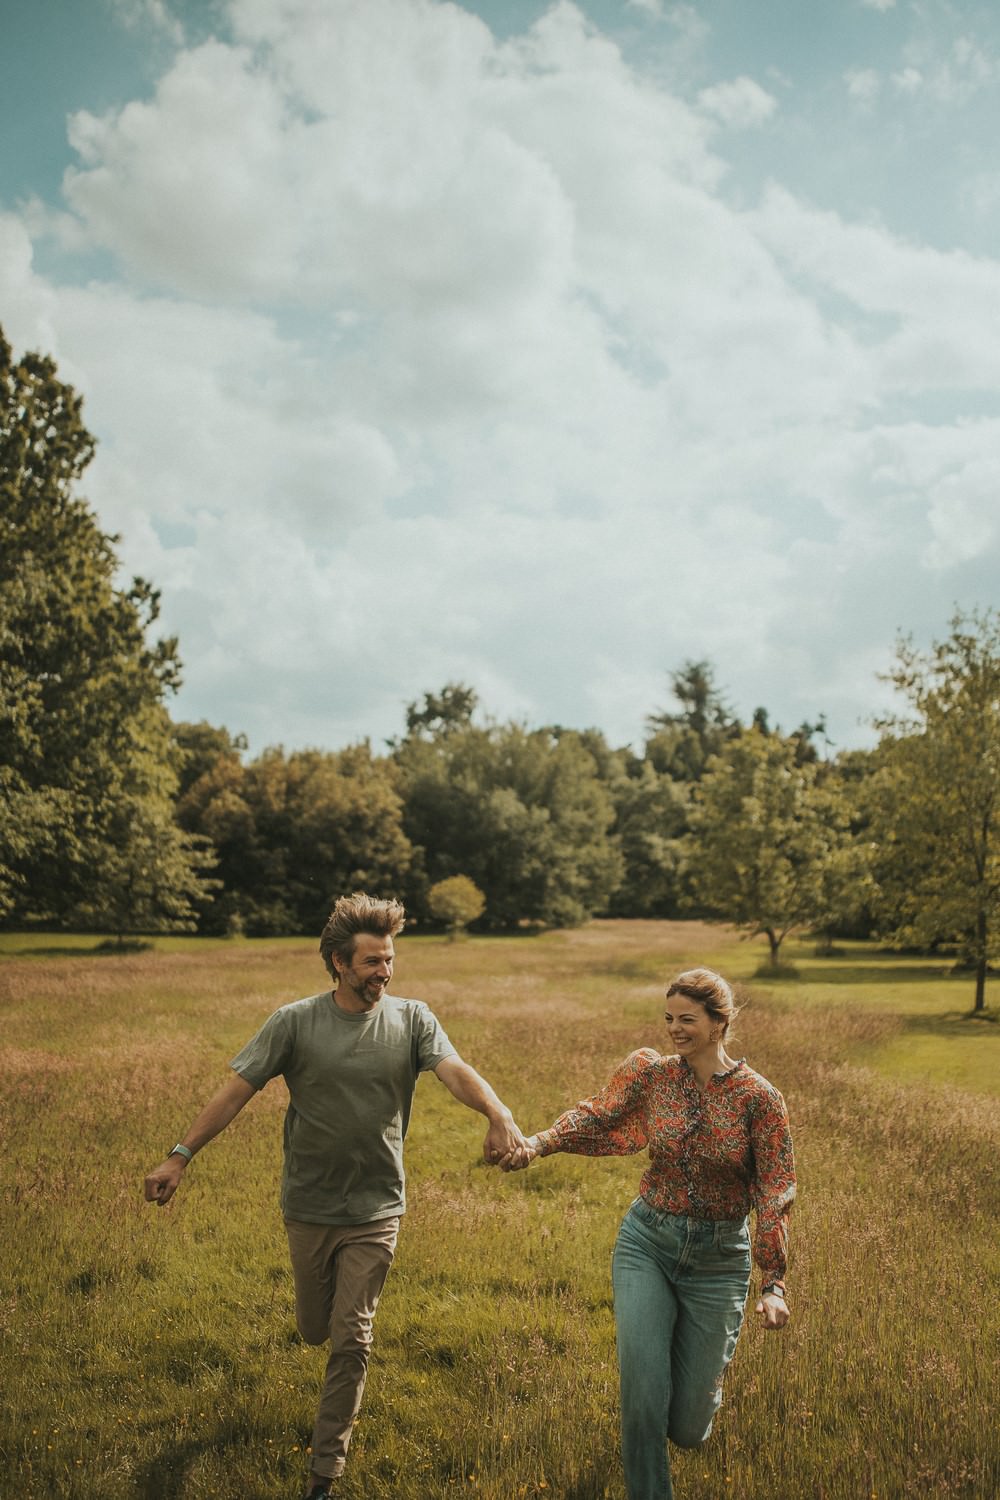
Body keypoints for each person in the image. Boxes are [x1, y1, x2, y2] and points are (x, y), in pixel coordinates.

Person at [143, 892, 528, 1500]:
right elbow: (236, 1091)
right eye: (372, 961)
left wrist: (498, 1113)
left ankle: (325, 1472)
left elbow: (454, 1070)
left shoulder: (413, 1019)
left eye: (389, 959)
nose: (385, 971)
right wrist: (180, 1156)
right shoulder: (294, 1022)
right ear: (338, 963)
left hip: (378, 1206)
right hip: (310, 1205)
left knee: (352, 1338)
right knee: (314, 1327)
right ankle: (318, 1354)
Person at [501, 966, 795, 1500]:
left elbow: (775, 1189)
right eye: (669, 1019)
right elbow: (598, 1115)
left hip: (719, 1260)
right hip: (648, 1243)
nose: (674, 1029)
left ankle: (695, 1392)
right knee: (642, 1397)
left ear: (719, 1023)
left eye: (687, 1019)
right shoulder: (653, 1075)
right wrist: (539, 1144)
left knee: (688, 1427)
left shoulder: (759, 1098)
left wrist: (773, 1282)